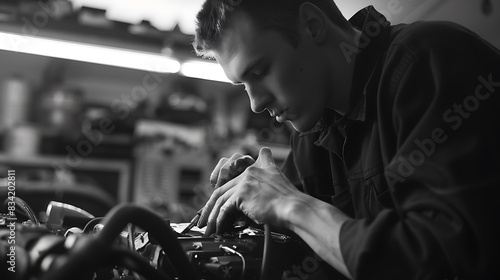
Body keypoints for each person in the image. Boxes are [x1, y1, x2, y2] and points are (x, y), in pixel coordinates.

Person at [191, 0, 500, 279]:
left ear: (312, 25)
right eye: (243, 84)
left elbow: (444, 261)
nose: (255, 103)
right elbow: (308, 250)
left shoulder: (429, 60)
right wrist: (252, 208)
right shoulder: (313, 131)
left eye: (260, 70)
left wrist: (292, 205)